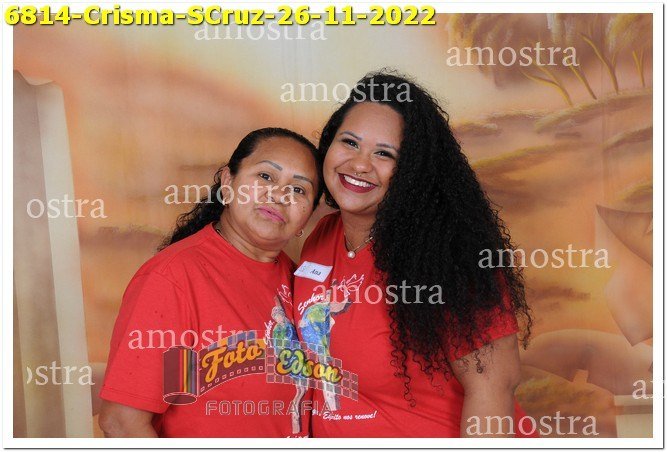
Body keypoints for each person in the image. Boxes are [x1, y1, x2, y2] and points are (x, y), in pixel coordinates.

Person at [292, 72, 535, 437]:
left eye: (384, 154)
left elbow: (494, 387)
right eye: (350, 142)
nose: (360, 164)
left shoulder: (450, 253)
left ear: (413, 171)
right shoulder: (321, 237)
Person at [99, 127, 322, 437]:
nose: (279, 196)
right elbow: (122, 423)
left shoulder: (303, 284)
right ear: (228, 183)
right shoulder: (173, 278)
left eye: (298, 190)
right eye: (266, 176)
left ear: (308, 216)